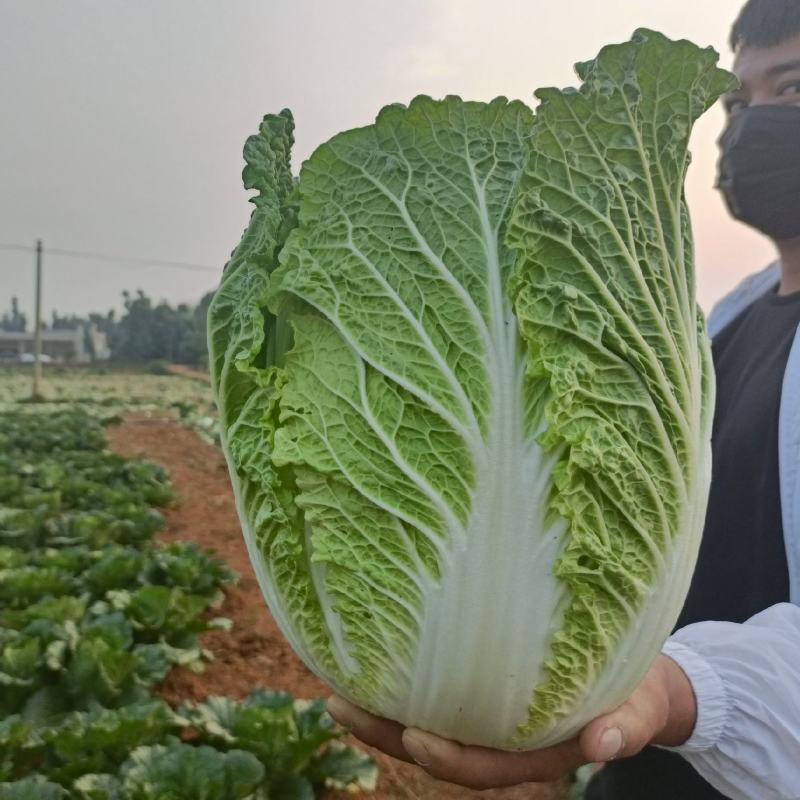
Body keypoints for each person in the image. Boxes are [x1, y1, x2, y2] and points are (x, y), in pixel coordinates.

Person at [325, 1, 800, 798]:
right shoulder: (721, 323)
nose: (748, 127)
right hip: (632, 766)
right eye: (736, 104)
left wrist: (682, 694)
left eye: (788, 89)